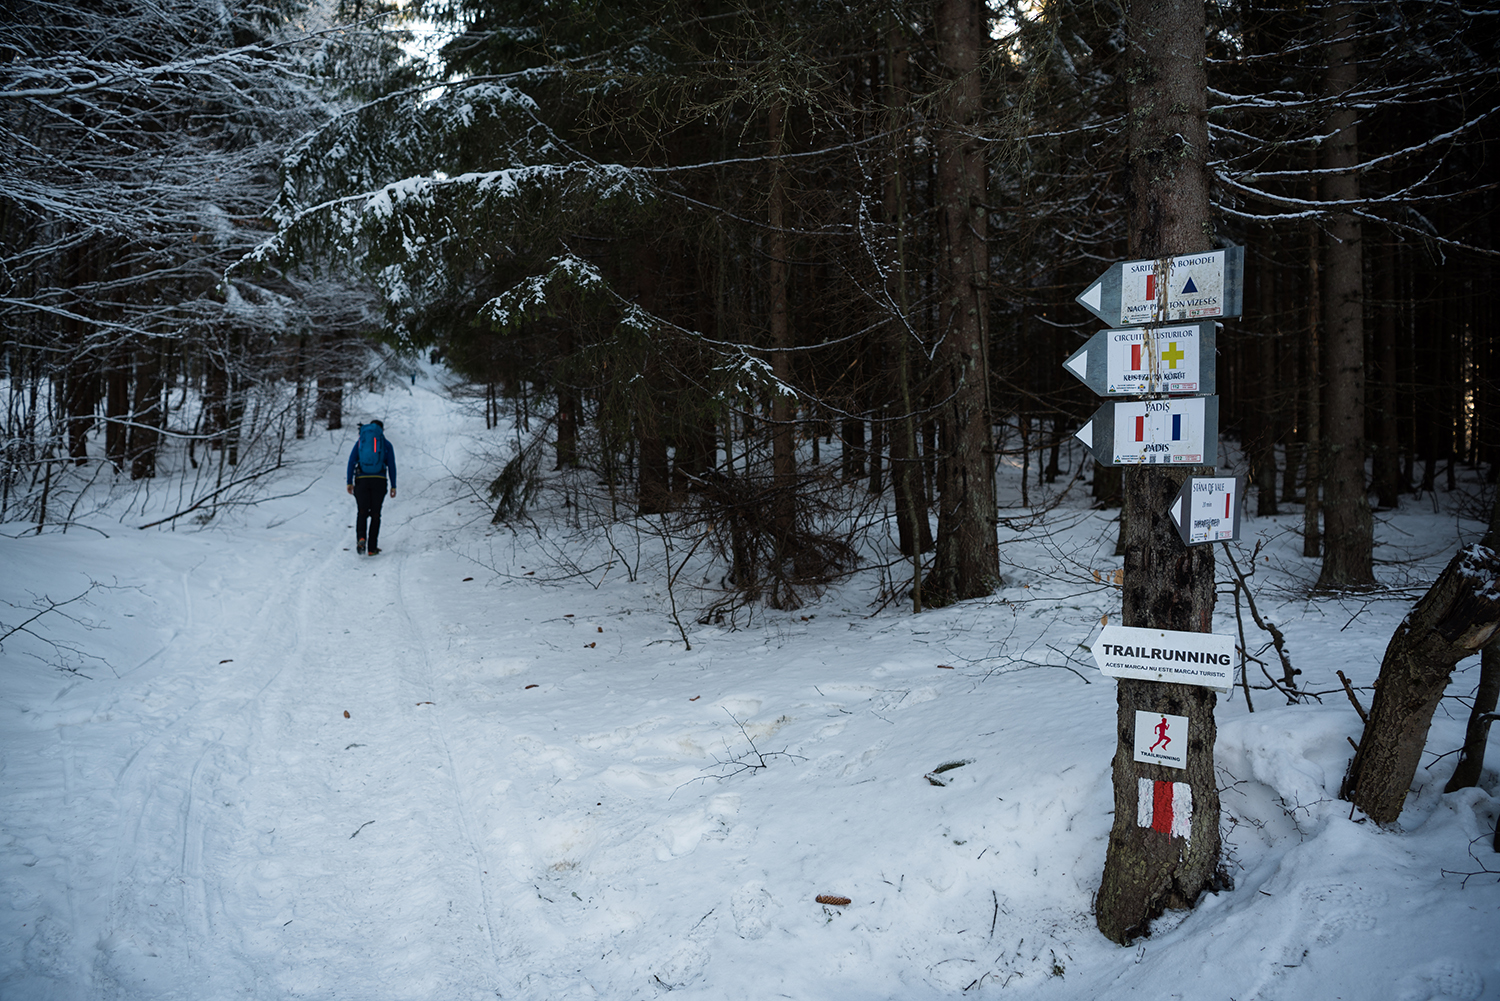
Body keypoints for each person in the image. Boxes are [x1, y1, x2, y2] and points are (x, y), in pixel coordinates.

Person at [346, 420, 397, 555]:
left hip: (361, 480)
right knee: (375, 514)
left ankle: (361, 538)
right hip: (379, 481)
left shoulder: (361, 442)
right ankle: (372, 548)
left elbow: (351, 461)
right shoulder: (386, 444)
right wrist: (393, 485)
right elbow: (391, 465)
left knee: (362, 512)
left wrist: (349, 482)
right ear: (382, 430)